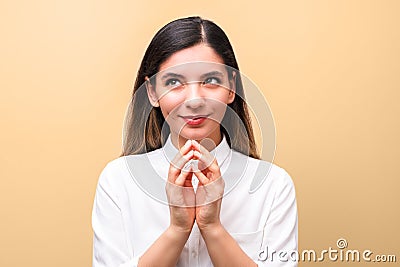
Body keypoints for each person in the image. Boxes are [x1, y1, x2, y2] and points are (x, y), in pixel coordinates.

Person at [92, 16, 298, 267]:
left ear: (231, 87)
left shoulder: (273, 187)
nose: (194, 100)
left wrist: (213, 228)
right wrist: (177, 230)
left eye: (211, 80)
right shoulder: (118, 181)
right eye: (174, 82)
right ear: (152, 92)